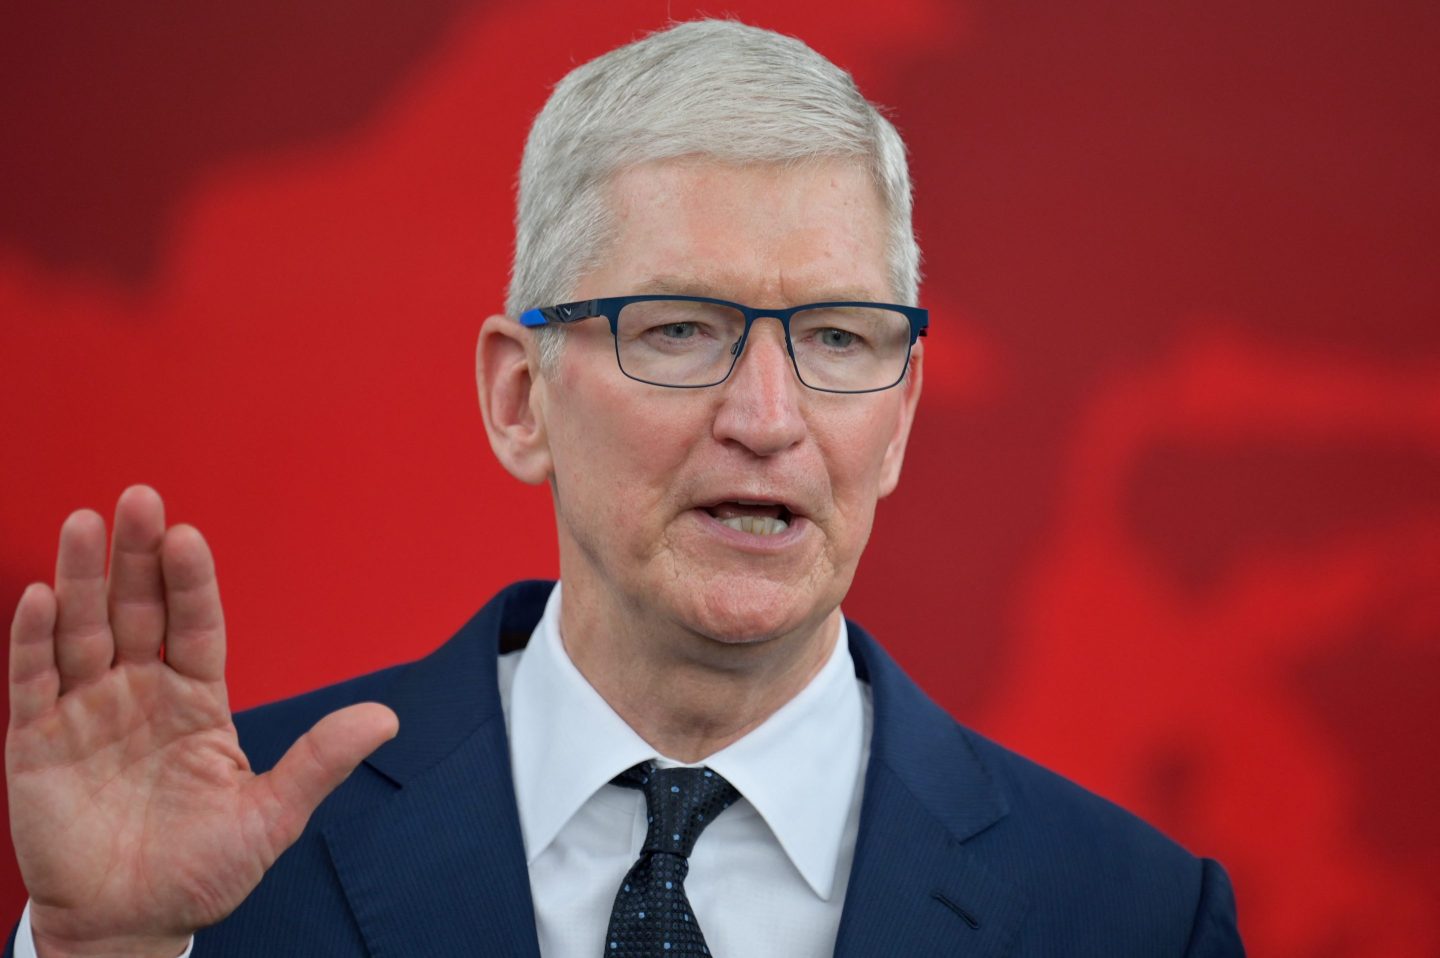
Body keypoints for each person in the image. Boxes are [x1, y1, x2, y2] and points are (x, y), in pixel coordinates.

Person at [4, 20, 1243, 958]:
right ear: (520, 397)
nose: (767, 419)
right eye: (681, 330)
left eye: (838, 339)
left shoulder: (1134, 916)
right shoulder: (227, 854)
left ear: (901, 416)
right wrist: (101, 954)